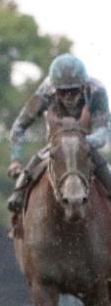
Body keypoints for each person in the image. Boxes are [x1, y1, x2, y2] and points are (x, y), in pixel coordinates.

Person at [7, 53, 111, 213]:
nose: (68, 96)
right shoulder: (45, 91)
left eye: (74, 91)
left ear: (83, 86)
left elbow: (103, 131)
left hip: (85, 145)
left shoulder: (97, 91)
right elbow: (19, 126)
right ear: (55, 89)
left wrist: (82, 143)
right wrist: (15, 160)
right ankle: (17, 225)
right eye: (62, 92)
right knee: (19, 189)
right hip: (54, 146)